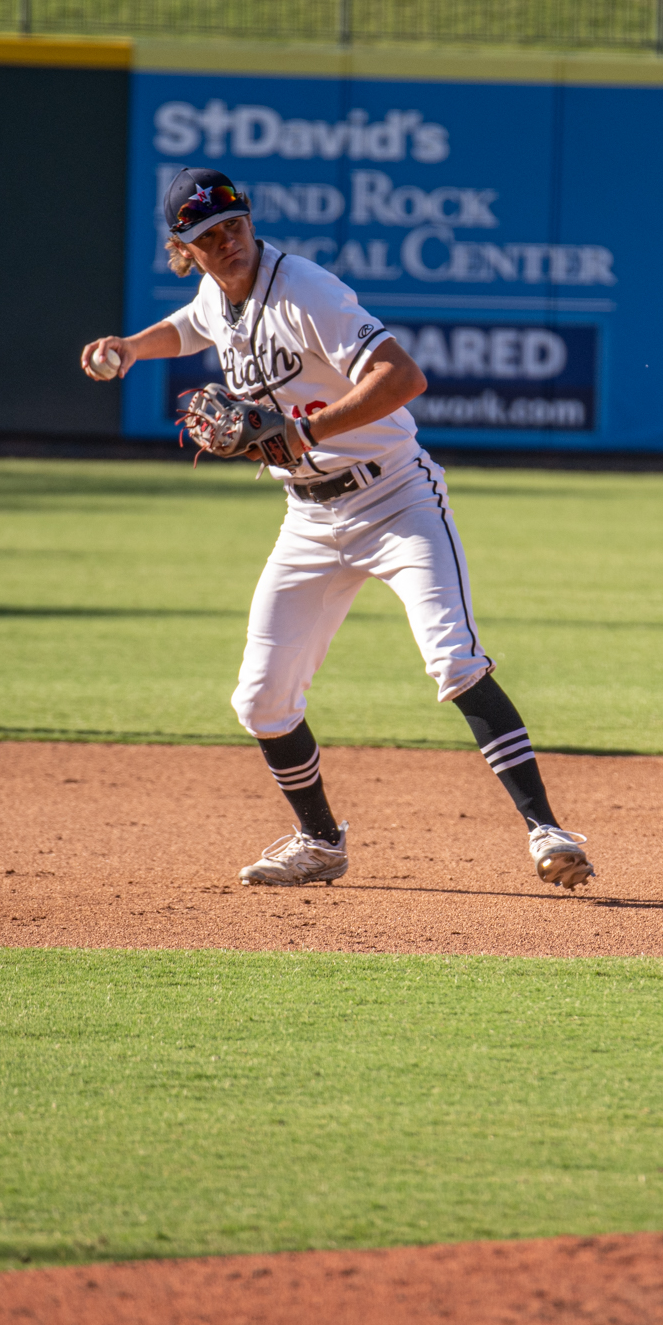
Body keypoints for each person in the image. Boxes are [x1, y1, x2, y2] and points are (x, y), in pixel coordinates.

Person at [82, 167, 594, 890]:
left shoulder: (305, 291)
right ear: (184, 250)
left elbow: (403, 377)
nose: (227, 242)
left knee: (454, 660)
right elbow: (191, 325)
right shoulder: (217, 294)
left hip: (397, 501)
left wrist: (303, 431)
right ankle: (320, 843)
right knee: (261, 700)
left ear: (249, 220)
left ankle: (547, 830)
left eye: (234, 225)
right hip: (309, 518)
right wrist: (133, 347)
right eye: (208, 236)